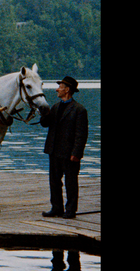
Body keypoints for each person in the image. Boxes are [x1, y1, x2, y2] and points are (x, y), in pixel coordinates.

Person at [40, 76, 88, 219]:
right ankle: (56, 208)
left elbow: (82, 134)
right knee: (54, 181)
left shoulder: (79, 109)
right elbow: (45, 124)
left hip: (69, 153)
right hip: (54, 150)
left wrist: (77, 153)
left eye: (60, 87)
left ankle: (70, 210)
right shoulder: (55, 107)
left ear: (67, 90)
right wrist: (43, 112)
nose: (57, 89)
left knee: (71, 182)